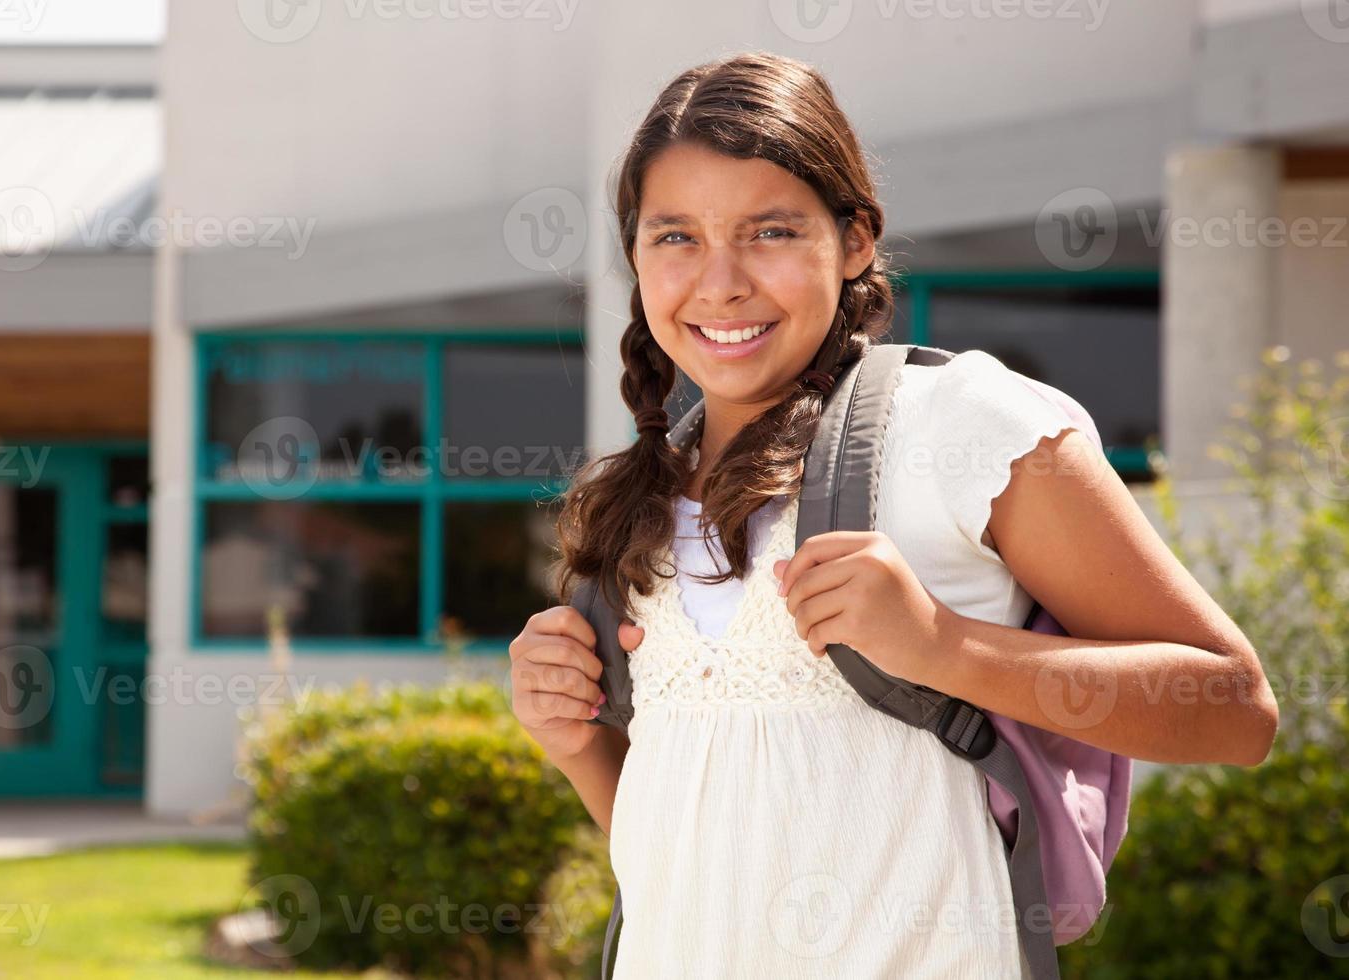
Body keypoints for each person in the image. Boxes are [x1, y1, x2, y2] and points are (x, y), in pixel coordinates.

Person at [506, 50, 1278, 978]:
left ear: (857, 239)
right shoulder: (631, 501)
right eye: (675, 237)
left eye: (770, 232)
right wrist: (579, 744)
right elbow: (689, 848)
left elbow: (1237, 709)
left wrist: (943, 646)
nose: (719, 284)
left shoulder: (963, 424)